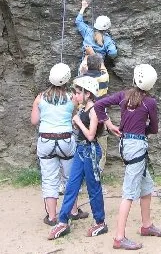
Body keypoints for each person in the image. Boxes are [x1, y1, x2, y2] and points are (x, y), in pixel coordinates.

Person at [95, 64, 161, 250]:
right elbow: (154, 128)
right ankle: (119, 237)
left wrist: (109, 124)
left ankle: (146, 225)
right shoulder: (149, 102)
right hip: (137, 147)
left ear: (135, 79)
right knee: (129, 193)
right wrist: (143, 129)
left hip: (126, 144)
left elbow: (99, 105)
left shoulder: (123, 95)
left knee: (146, 186)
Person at [49, 76, 108, 240]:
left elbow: (91, 136)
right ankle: (63, 221)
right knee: (71, 186)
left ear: (88, 94)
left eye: (78, 93)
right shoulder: (83, 108)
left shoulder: (94, 110)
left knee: (93, 187)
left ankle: (100, 222)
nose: (75, 95)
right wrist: (77, 119)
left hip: (90, 151)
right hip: (81, 150)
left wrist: (77, 121)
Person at [31, 62, 88, 226]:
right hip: (66, 140)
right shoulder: (72, 98)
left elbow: (34, 121)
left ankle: (51, 217)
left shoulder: (40, 97)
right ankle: (73, 211)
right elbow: (75, 117)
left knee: (49, 179)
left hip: (46, 140)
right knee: (71, 177)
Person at [81, 53, 110, 173]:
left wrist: (87, 55)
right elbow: (103, 68)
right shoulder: (104, 78)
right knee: (101, 146)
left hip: (83, 116)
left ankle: (83, 171)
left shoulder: (80, 79)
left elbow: (82, 67)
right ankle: (98, 172)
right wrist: (93, 52)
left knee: (82, 144)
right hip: (100, 116)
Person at [76, 0, 117, 72]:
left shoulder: (88, 32)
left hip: (85, 64)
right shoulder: (107, 40)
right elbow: (113, 53)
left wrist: (83, 7)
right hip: (98, 66)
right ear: (107, 28)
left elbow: (78, 21)